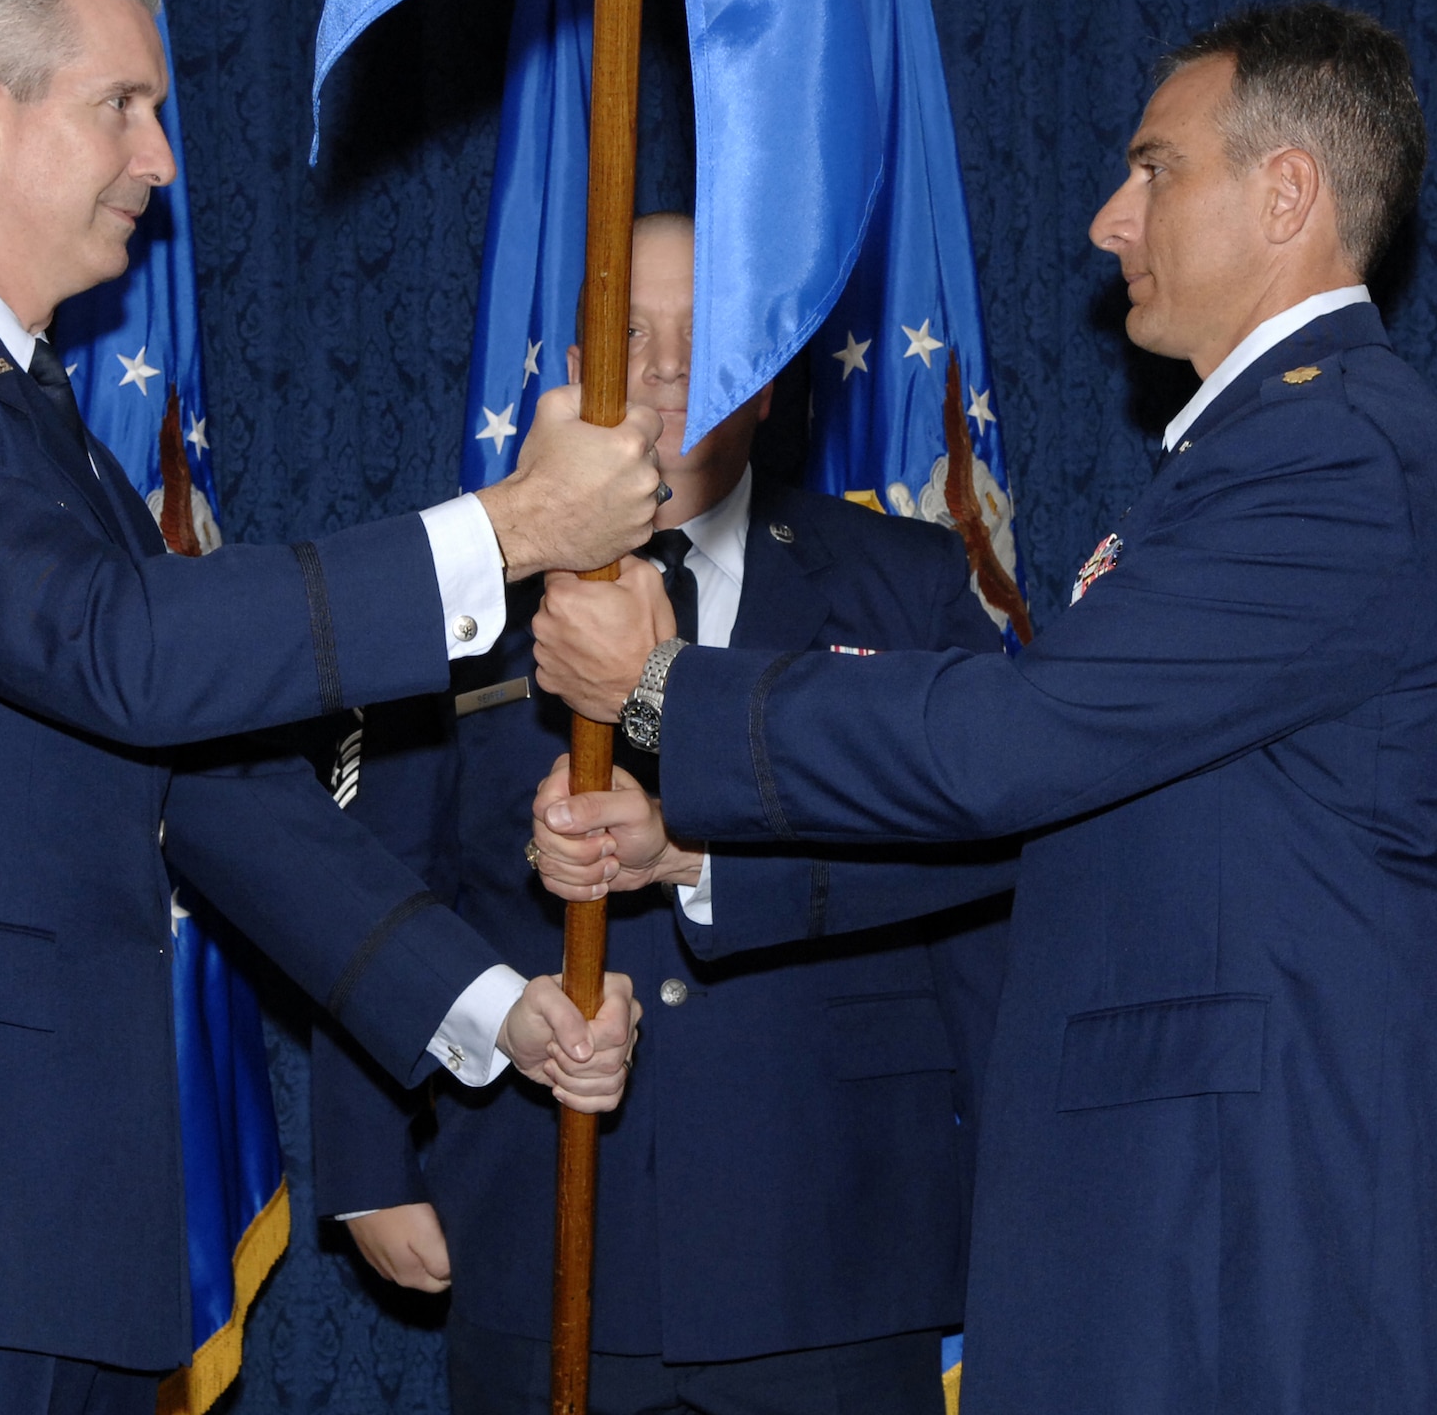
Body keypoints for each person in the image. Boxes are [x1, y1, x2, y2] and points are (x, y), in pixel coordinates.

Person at [527, 2, 1437, 1413]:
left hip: (1281, 1224)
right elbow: (1062, 821)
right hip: (1213, 1210)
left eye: (1155, 170)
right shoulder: (1272, 455)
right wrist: (700, 855)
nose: (1106, 218)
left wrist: (660, 687)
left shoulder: (1327, 458)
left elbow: (1011, 747)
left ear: (1287, 194)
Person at [0, 0, 655, 1415]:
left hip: (71, 1237)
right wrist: (513, 529)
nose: (162, 159)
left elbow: (203, 787)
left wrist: (484, 1002)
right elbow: (123, 653)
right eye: (122, 107)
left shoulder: (36, 424)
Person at [310, 212, 1011, 1415]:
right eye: (626, 330)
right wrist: (367, 1164)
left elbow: (982, 865)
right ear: (573, 366)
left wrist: (1023, 1182)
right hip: (545, 1218)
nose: (667, 366)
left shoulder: (904, 581)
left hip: (833, 1242)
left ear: (773, 367)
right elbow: (369, 878)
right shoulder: (469, 582)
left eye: (706, 334)